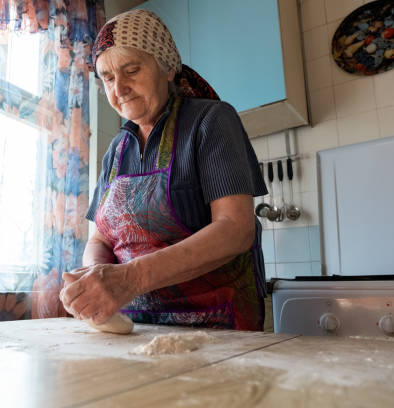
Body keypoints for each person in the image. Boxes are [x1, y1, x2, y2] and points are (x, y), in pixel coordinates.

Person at [59, 9, 268, 330]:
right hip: (138, 328)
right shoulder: (117, 150)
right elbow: (98, 240)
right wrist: (97, 280)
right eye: (109, 78)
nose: (120, 88)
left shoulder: (211, 121)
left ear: (168, 67)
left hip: (219, 325)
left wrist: (129, 279)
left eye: (131, 70)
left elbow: (235, 229)